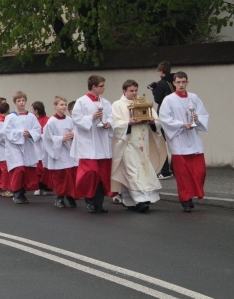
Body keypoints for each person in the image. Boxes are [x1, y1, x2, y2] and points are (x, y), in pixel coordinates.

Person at [111, 80, 167, 212]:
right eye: (131, 91)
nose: (134, 93)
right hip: (127, 144)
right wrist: (128, 123)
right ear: (124, 91)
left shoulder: (143, 103)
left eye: (136, 90)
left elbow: (157, 122)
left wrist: (152, 122)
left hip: (143, 143)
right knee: (132, 171)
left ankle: (130, 200)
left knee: (143, 171)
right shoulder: (117, 105)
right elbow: (115, 124)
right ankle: (141, 200)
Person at [159, 71, 209, 213]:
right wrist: (182, 124)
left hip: (193, 139)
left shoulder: (194, 98)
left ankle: (192, 194)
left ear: (187, 82)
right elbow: (164, 119)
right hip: (179, 140)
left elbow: (203, 114)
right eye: (178, 82)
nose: (181, 85)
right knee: (183, 174)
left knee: (200, 171)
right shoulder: (169, 100)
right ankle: (185, 200)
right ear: (174, 83)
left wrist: (197, 118)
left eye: (183, 82)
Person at [71, 75, 114, 214]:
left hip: (102, 142)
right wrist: (91, 117)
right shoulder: (81, 102)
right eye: (101, 86)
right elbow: (76, 119)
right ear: (93, 87)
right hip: (88, 143)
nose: (104, 88)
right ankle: (89, 201)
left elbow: (111, 117)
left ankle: (99, 204)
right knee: (90, 172)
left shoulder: (106, 102)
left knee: (102, 174)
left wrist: (109, 123)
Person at [3, 91, 42, 204]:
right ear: (15, 102)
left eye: (23, 100)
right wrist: (20, 133)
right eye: (19, 101)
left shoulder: (31, 117)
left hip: (27, 145)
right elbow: (6, 132)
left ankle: (22, 191)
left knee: (27, 170)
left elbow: (37, 130)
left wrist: (29, 133)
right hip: (14, 147)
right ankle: (17, 192)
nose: (21, 103)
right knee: (19, 169)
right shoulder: (10, 117)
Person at [43, 96, 78, 208]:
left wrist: (73, 135)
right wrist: (60, 139)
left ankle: (70, 195)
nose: (64, 106)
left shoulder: (69, 120)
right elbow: (47, 138)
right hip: (58, 152)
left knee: (70, 175)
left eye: (65, 104)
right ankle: (59, 197)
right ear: (55, 106)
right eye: (61, 104)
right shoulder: (51, 122)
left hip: (68, 151)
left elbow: (76, 131)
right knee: (60, 177)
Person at [150, 61, 175, 180]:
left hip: (164, 114)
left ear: (161, 72)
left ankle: (165, 171)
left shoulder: (162, 82)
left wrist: (153, 89)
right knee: (175, 142)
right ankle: (176, 169)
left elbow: (158, 99)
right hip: (175, 114)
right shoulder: (175, 80)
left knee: (162, 143)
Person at [31, 100, 52, 196]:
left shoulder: (48, 120)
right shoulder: (33, 120)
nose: (31, 111)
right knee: (37, 167)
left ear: (36, 110)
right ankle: (38, 186)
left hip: (44, 146)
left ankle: (43, 186)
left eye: (32, 109)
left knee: (44, 167)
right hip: (36, 146)